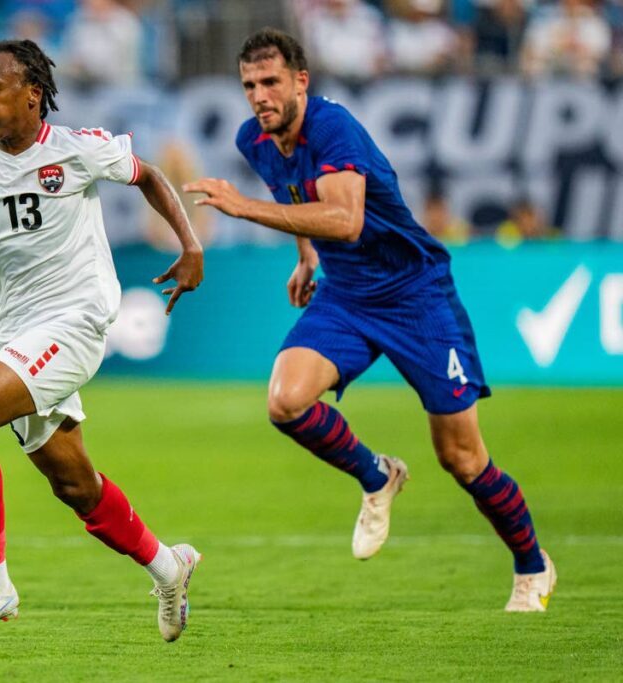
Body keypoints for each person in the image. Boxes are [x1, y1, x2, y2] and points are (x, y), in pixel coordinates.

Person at [184, 29, 555, 612]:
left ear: (301, 82)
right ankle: (378, 475)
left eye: (271, 82)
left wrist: (241, 207)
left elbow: (347, 218)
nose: (259, 96)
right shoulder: (253, 139)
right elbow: (295, 197)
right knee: (285, 401)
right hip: (348, 295)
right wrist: (305, 256)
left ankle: (532, 566)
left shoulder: (333, 128)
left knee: (461, 458)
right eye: (250, 85)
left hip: (417, 295)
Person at [0, 39, 204, 640]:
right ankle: (168, 566)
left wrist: (190, 245)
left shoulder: (77, 150)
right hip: (18, 331)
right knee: (74, 485)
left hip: (76, 319)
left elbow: (148, 175)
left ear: (32, 94)